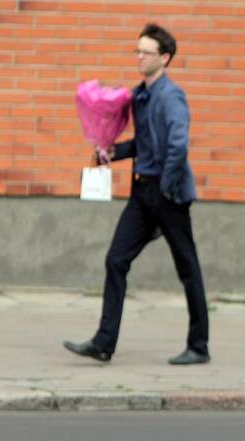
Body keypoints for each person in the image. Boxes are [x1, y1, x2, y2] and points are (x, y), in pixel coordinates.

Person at [64, 23, 210, 365]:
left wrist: (166, 188)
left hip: (167, 194)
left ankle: (199, 346)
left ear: (164, 58)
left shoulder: (171, 97)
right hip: (141, 193)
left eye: (146, 52)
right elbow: (144, 144)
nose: (139, 57)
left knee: (187, 268)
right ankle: (103, 343)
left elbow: (177, 146)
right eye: (138, 50)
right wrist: (112, 152)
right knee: (116, 259)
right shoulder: (140, 96)